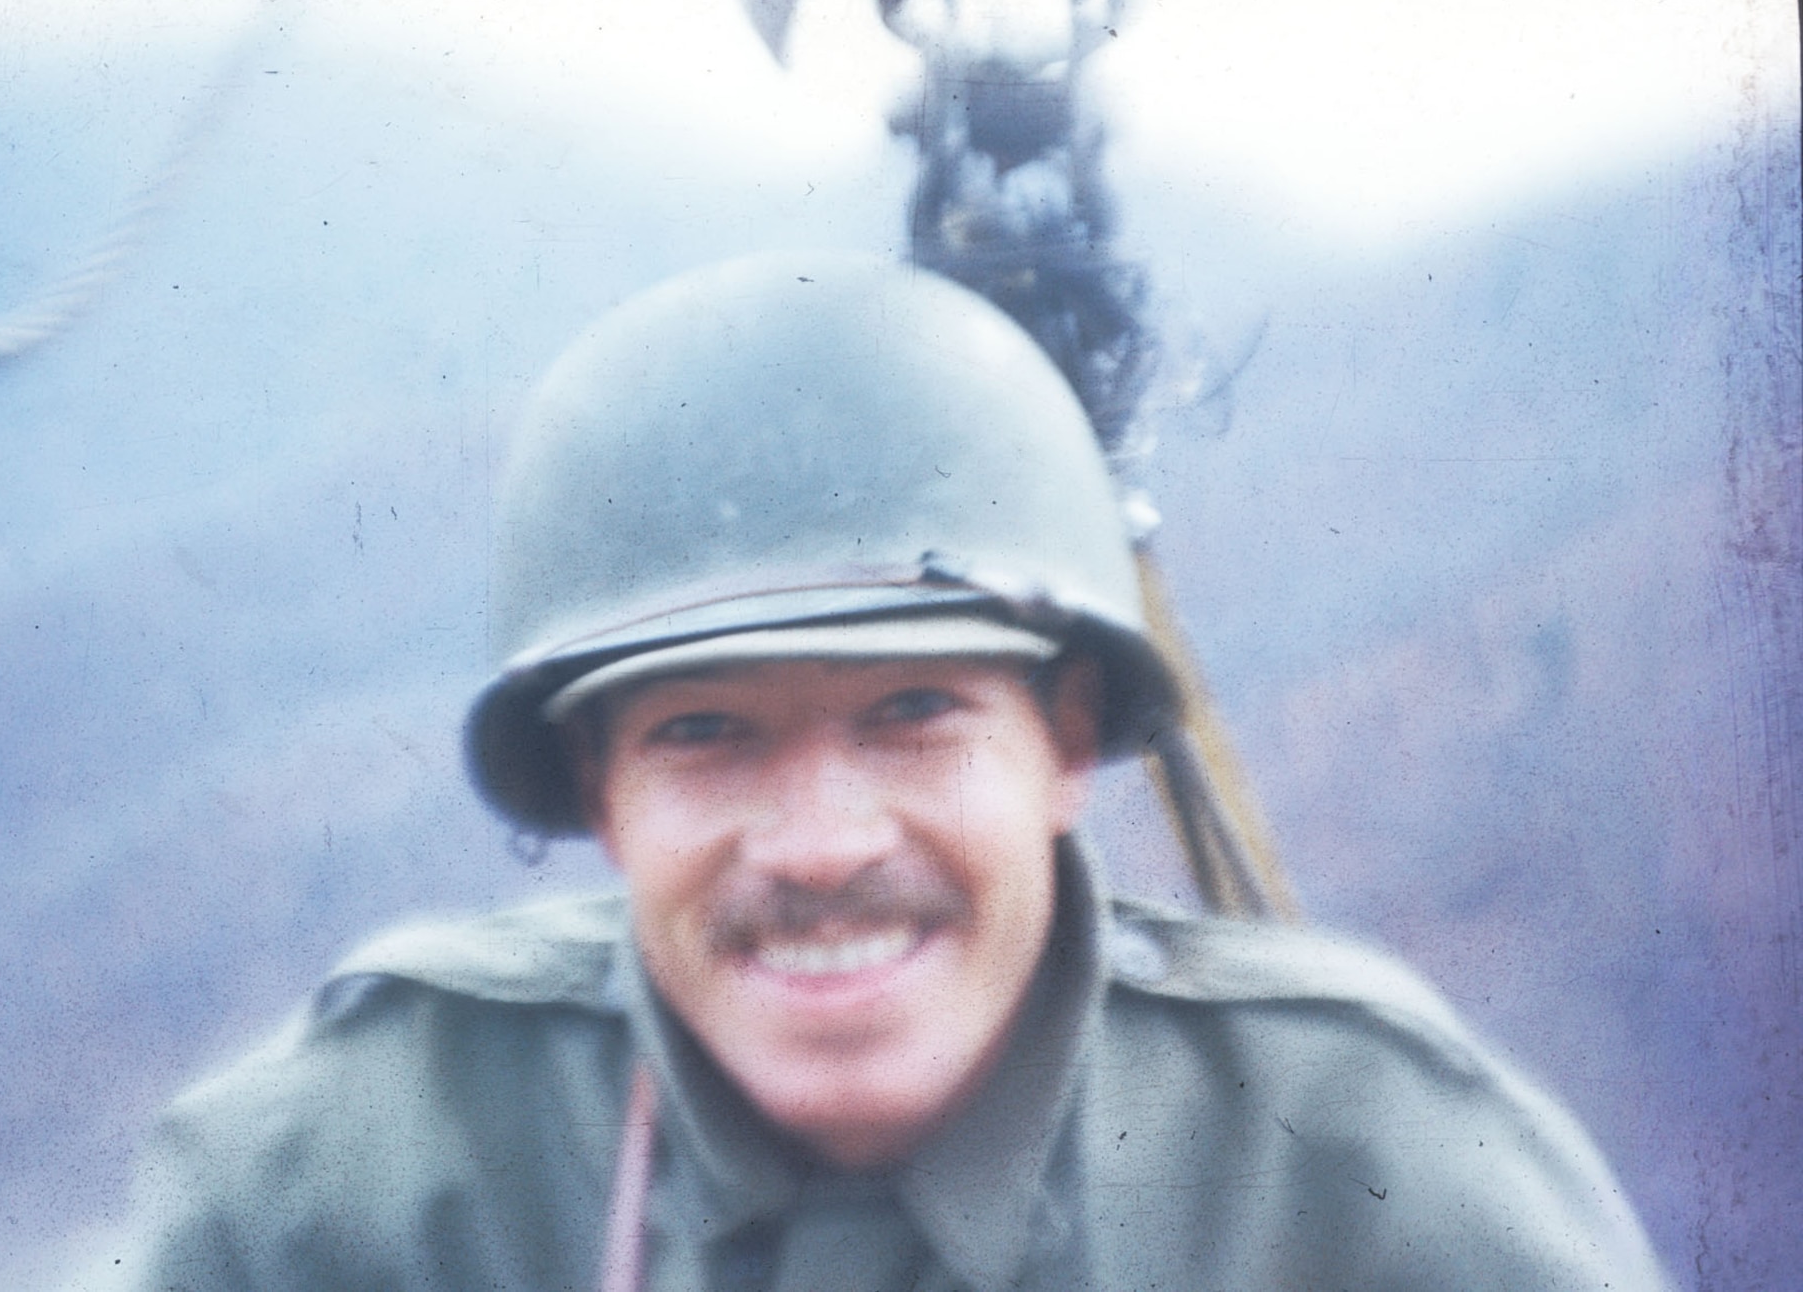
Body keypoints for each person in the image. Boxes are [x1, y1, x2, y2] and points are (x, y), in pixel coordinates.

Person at [122, 252, 1669, 1289]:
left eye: (916, 709)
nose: (818, 839)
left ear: (1068, 740)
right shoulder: (352, 1169)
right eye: (704, 732)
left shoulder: (1362, 1165)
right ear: (596, 790)